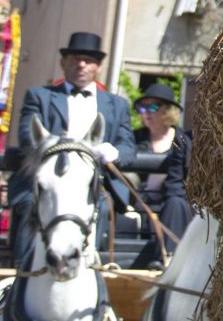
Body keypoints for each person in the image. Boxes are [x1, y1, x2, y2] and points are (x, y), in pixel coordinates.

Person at [9, 31, 136, 265]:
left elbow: (128, 147)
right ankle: (24, 269)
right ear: (63, 63)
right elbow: (28, 139)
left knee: (99, 206)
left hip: (92, 182)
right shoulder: (40, 96)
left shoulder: (117, 105)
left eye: (88, 60)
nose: (81, 64)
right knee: (31, 204)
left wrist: (113, 152)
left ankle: (88, 268)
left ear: (97, 67)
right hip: (48, 179)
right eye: (76, 58)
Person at [129, 82, 192, 269]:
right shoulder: (133, 139)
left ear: (168, 111)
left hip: (170, 201)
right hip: (137, 201)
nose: (146, 112)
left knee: (176, 203)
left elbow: (178, 183)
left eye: (153, 107)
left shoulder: (182, 140)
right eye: (142, 107)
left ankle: (166, 260)